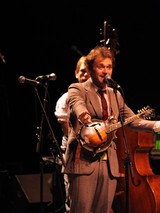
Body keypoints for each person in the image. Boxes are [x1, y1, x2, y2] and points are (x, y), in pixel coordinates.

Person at [63, 45, 160, 213]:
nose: (105, 71)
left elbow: (133, 121)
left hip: (108, 163)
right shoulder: (77, 88)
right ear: (91, 69)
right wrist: (84, 115)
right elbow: (76, 104)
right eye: (101, 66)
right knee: (81, 210)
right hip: (83, 160)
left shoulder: (115, 94)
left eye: (109, 67)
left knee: (103, 210)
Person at [55, 55, 89, 212]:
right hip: (75, 153)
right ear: (76, 73)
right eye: (82, 71)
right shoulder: (66, 99)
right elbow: (69, 133)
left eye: (89, 71)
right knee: (76, 202)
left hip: (95, 154)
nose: (85, 74)